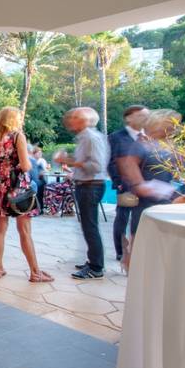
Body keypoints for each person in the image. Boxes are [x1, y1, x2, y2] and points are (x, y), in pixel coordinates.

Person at [0, 107, 53, 283]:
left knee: (0, 228)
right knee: (24, 230)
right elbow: (26, 166)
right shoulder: (17, 136)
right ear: (14, 119)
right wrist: (15, 166)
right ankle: (35, 272)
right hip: (17, 187)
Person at [57, 107, 110, 279]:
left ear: (84, 120)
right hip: (86, 185)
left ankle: (96, 267)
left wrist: (68, 161)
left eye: (75, 117)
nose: (70, 120)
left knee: (90, 226)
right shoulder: (84, 138)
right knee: (88, 226)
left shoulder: (91, 138)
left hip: (90, 186)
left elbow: (96, 166)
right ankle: (94, 260)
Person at [118, 109, 184, 234]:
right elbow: (137, 184)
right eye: (172, 124)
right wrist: (170, 192)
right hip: (148, 208)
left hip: (166, 206)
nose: (176, 128)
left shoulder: (167, 145)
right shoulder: (140, 146)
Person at [108, 105, 149, 261]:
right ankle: (121, 251)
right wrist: (118, 182)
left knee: (141, 219)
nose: (145, 118)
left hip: (146, 187)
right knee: (122, 218)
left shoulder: (149, 137)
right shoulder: (116, 137)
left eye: (146, 115)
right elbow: (111, 161)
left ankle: (138, 250)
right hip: (125, 186)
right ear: (129, 118)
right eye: (140, 115)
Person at [31, 147, 49, 212]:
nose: (40, 154)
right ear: (34, 154)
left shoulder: (42, 161)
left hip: (40, 179)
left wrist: (43, 172)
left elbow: (46, 171)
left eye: (41, 153)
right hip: (33, 180)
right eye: (38, 153)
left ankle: (40, 207)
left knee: (41, 185)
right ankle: (36, 207)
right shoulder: (31, 160)